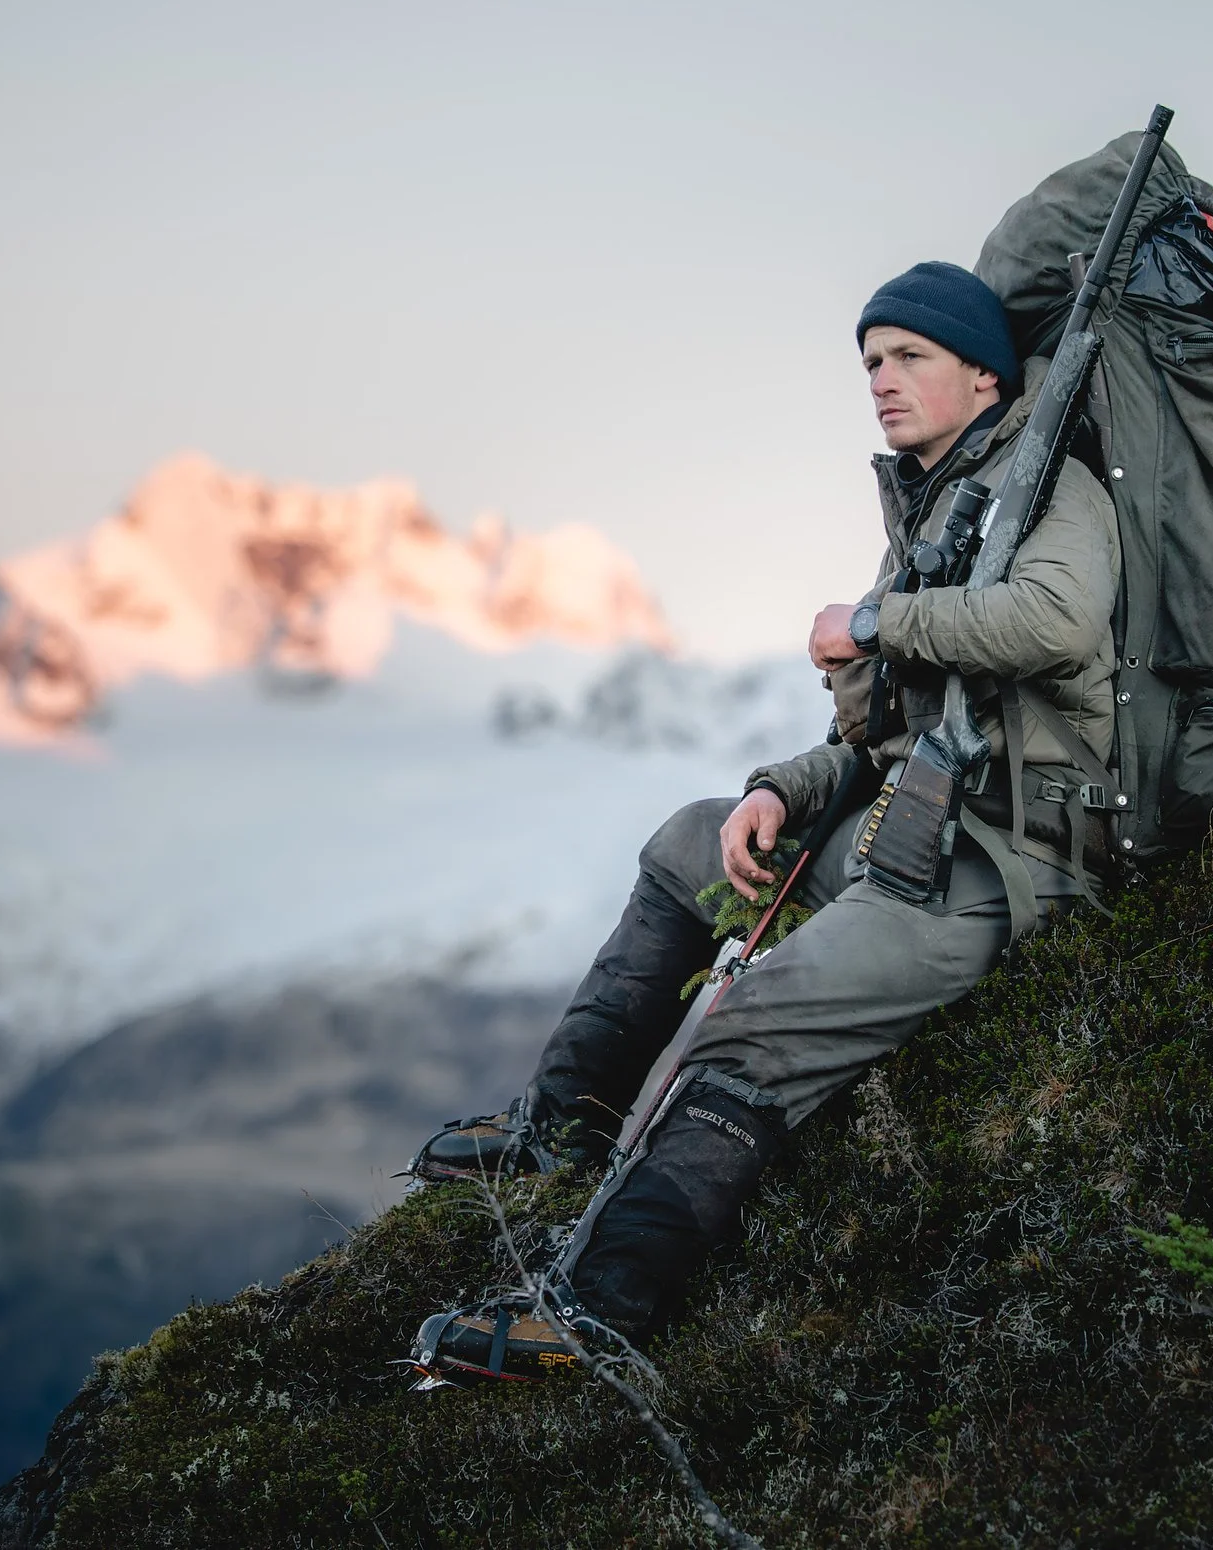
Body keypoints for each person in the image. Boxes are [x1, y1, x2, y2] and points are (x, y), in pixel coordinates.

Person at [413, 261, 1121, 1379]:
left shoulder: (1053, 497)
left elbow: (1056, 616)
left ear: (984, 376)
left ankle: (593, 1314)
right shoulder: (939, 499)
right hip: (908, 814)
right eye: (870, 361)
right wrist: (776, 790)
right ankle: (564, 1124)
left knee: (756, 1014)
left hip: (996, 857)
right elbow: (887, 731)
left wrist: (878, 615)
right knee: (690, 840)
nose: (881, 381)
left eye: (908, 357)